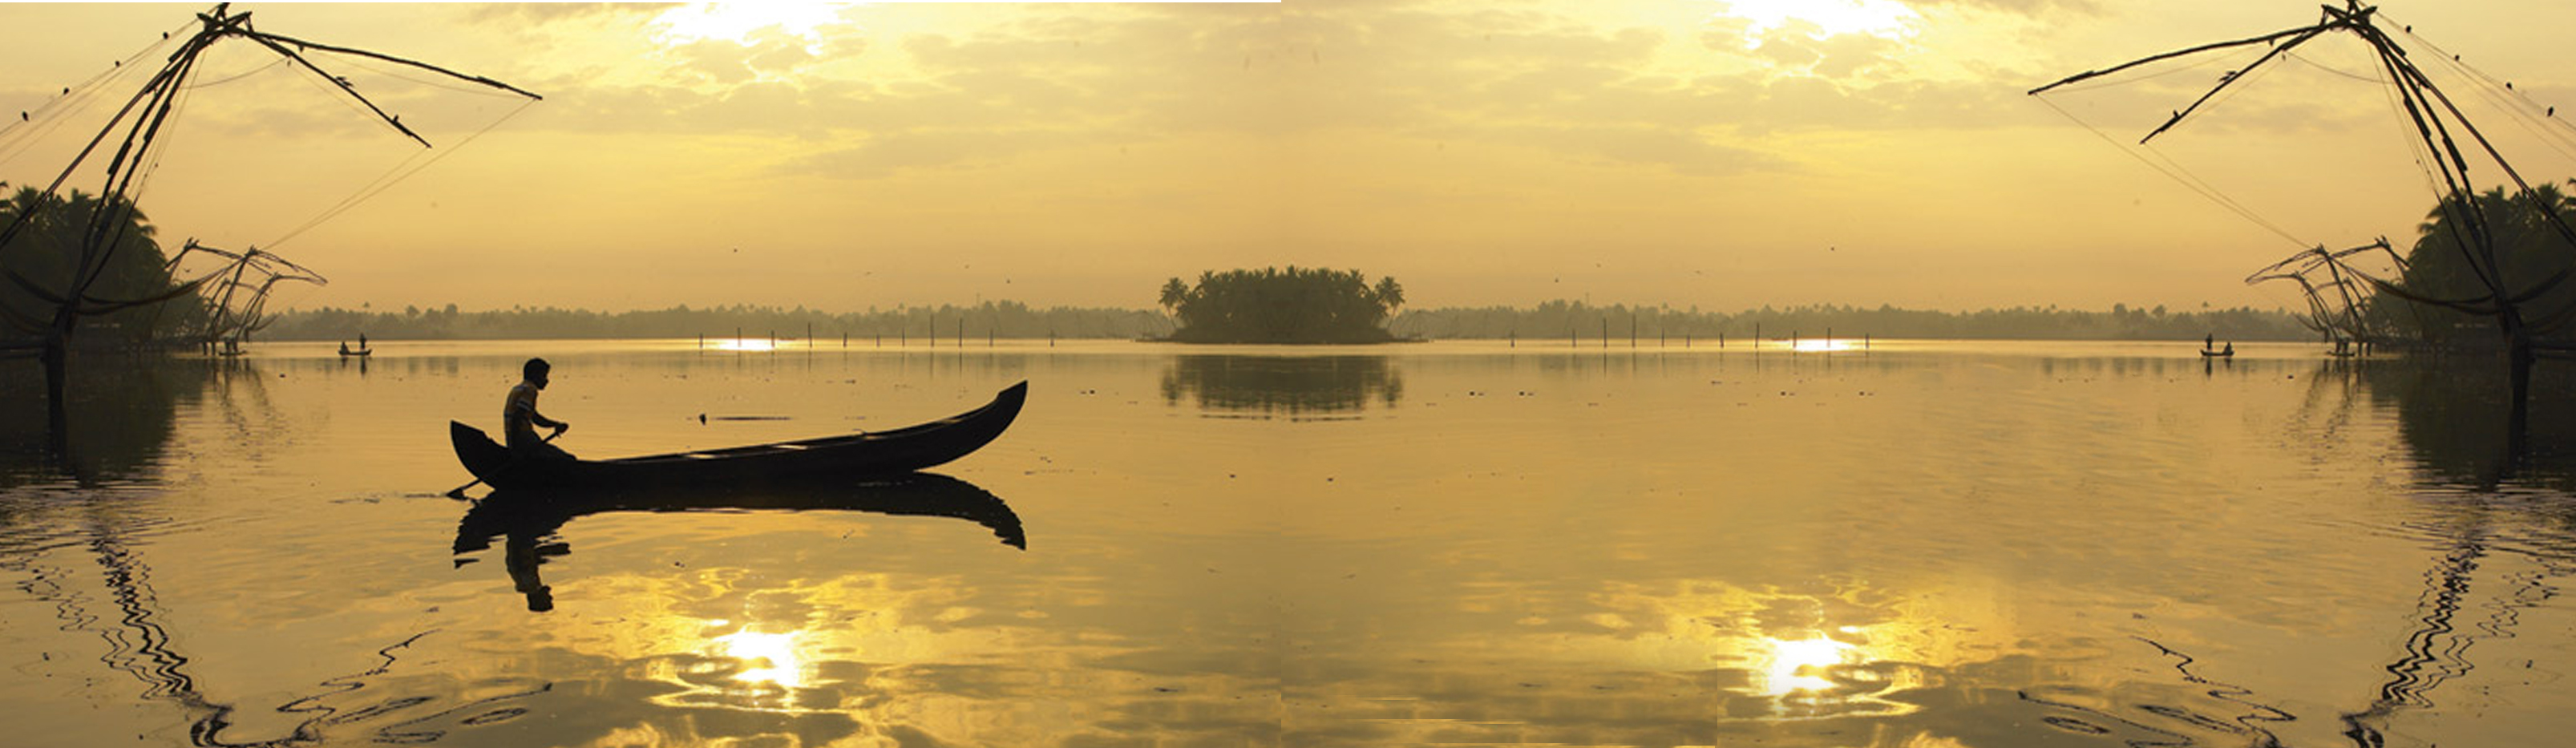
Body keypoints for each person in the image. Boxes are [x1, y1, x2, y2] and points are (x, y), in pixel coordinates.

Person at [505, 358, 574, 462]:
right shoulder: (530, 390)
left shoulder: (518, 388)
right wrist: (515, 450)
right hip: (524, 440)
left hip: (515, 438)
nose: (547, 380)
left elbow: (535, 418)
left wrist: (555, 424)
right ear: (535, 375)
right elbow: (517, 418)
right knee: (568, 459)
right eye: (544, 376)